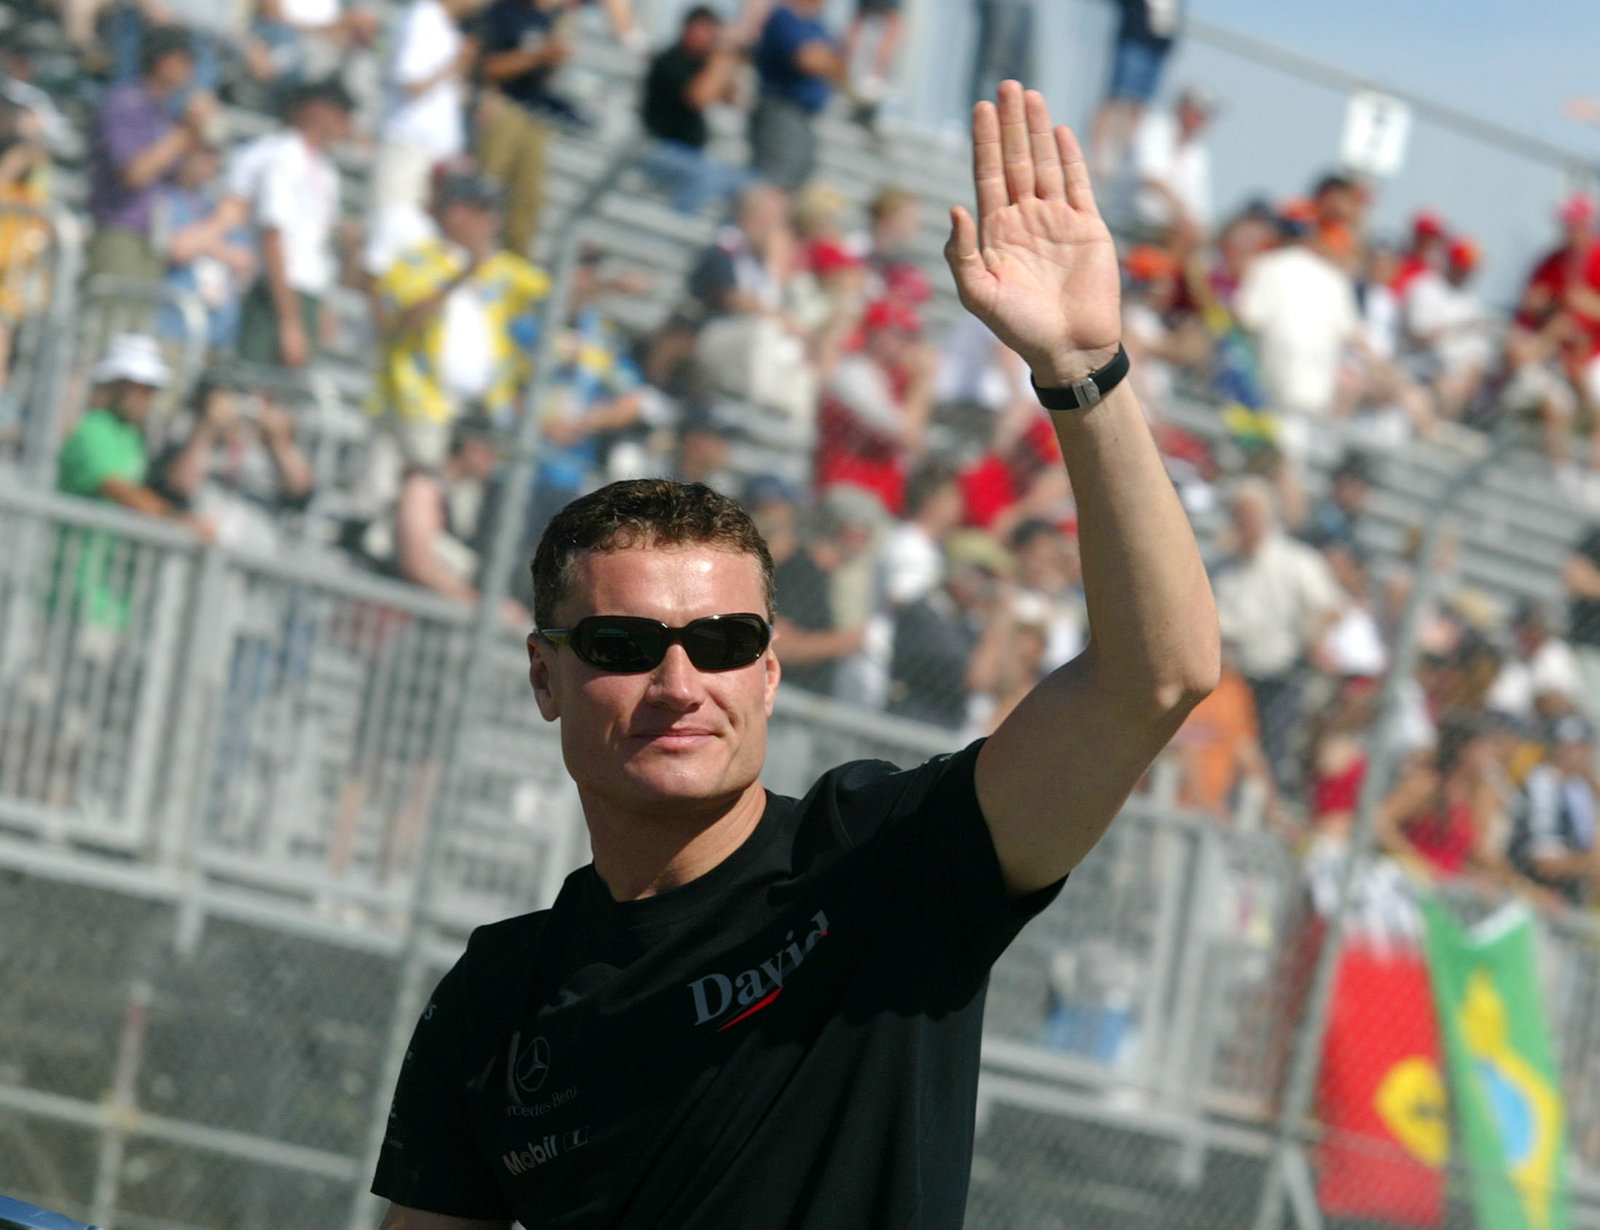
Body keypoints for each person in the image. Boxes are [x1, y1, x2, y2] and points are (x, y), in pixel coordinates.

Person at [372, 81, 1218, 1228]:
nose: (681, 683)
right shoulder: (496, 998)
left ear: (769, 671)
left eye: (724, 643)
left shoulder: (882, 866)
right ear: (544, 676)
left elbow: (1155, 678)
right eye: (625, 645)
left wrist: (1084, 370)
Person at [374, 168, 549, 471]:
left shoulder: (502, 269)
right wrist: (458, 278)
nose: (493, 220)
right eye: (483, 210)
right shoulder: (416, 260)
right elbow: (395, 323)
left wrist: (602, 286)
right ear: (456, 212)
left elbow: (553, 295)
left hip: (478, 417)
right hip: (418, 408)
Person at [1211, 476, 1342, 789]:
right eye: (1238, 519)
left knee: (1272, 750)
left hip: (1282, 676)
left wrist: (1316, 638)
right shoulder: (1221, 569)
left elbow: (1328, 607)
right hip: (1234, 675)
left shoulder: (1297, 562)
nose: (1243, 526)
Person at [233, 78, 355, 369]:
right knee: (255, 392)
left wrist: (322, 307)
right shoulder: (282, 157)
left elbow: (315, 248)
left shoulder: (326, 171)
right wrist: (289, 322)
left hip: (304, 292)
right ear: (318, 111)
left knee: (285, 402)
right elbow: (273, 236)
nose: (346, 126)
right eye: (341, 116)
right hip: (277, 292)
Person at [86, 25, 219, 284]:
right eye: (186, 62)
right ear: (166, 61)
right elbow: (134, 173)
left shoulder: (166, 113)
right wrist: (184, 133)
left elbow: (186, 179)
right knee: (112, 319)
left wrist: (199, 134)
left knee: (138, 322)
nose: (190, 72)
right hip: (120, 231)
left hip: (154, 234)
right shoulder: (126, 102)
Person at [475, 0, 574, 256]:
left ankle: (514, 262)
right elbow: (490, 66)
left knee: (528, 199)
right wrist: (537, 56)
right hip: (504, 106)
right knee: (487, 186)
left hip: (535, 113)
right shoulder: (502, 12)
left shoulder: (548, 18)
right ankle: (471, 249)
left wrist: (554, 55)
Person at [770, 484, 881, 697]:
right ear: (849, 532)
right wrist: (845, 642)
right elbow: (777, 645)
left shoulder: (822, 578)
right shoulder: (802, 571)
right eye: (865, 532)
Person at [372, 0, 481, 217]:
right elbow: (411, 85)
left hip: (436, 156)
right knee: (392, 226)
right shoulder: (423, 16)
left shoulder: (448, 28)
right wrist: (453, 64)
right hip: (410, 146)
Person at [637, 5, 747, 215]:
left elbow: (734, 99)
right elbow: (699, 97)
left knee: (742, 184)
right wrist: (723, 58)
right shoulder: (670, 60)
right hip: (661, 148)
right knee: (709, 175)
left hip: (689, 154)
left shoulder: (701, 64)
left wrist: (732, 62)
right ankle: (679, 222)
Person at [748, 0, 844, 192]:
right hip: (781, 109)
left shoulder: (817, 26)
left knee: (795, 182)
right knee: (774, 181)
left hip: (804, 116)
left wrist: (827, 60)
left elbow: (841, 65)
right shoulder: (784, 17)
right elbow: (806, 59)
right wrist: (827, 59)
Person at [1508, 713, 1600, 908]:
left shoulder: (1578, 788)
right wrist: (1589, 864)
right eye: (1569, 746)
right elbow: (1544, 860)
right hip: (1545, 895)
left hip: (1573, 894)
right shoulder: (1541, 784)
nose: (1577, 753)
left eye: (1582, 746)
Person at [1089, 0, 1183, 178]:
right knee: (1116, 99)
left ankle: (1124, 160)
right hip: (1134, 36)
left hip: (1158, 44)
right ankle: (1099, 158)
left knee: (1138, 105)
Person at [1130, 85, 1212, 248]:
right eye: (1197, 113)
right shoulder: (1155, 128)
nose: (1200, 120)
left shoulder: (1199, 153)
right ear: (1183, 108)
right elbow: (1149, 177)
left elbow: (1200, 203)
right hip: (1138, 222)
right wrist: (1182, 214)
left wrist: (1197, 227)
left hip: (1171, 229)